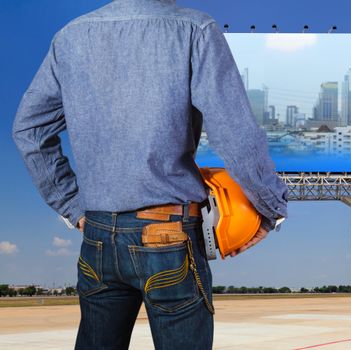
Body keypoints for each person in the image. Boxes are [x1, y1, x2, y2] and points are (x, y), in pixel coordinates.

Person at [11, 0, 288, 349]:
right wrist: (270, 206)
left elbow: (28, 130)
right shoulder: (195, 29)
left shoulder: (70, 36)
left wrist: (72, 206)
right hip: (169, 235)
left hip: (97, 236)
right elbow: (236, 133)